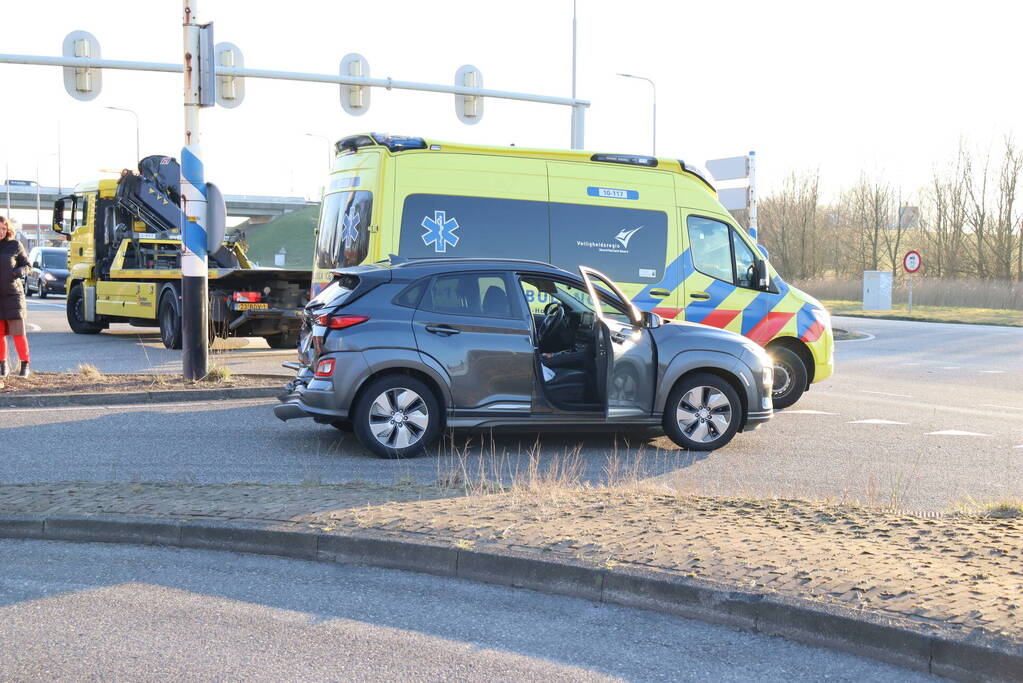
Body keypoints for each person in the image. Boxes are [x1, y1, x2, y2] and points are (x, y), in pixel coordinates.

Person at [0, 215, 31, 378]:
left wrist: (17, 272)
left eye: (4, 228)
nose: (1, 231)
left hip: (13, 295)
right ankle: (3, 365)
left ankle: (24, 365)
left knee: (18, 333)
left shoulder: (15, 245)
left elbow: (27, 266)